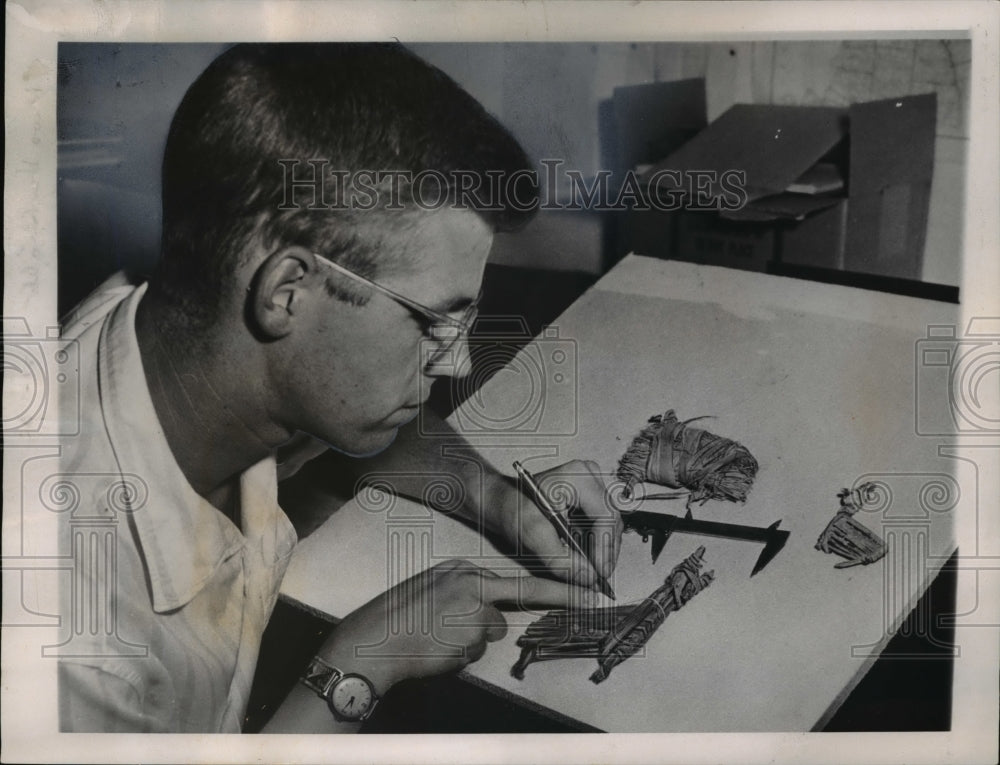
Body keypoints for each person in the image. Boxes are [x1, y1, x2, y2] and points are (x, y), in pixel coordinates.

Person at [55, 42, 621, 733]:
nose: (459, 363)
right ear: (287, 292)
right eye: (433, 321)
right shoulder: (77, 644)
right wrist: (355, 666)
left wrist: (498, 499)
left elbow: (354, 402)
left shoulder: (189, 348)